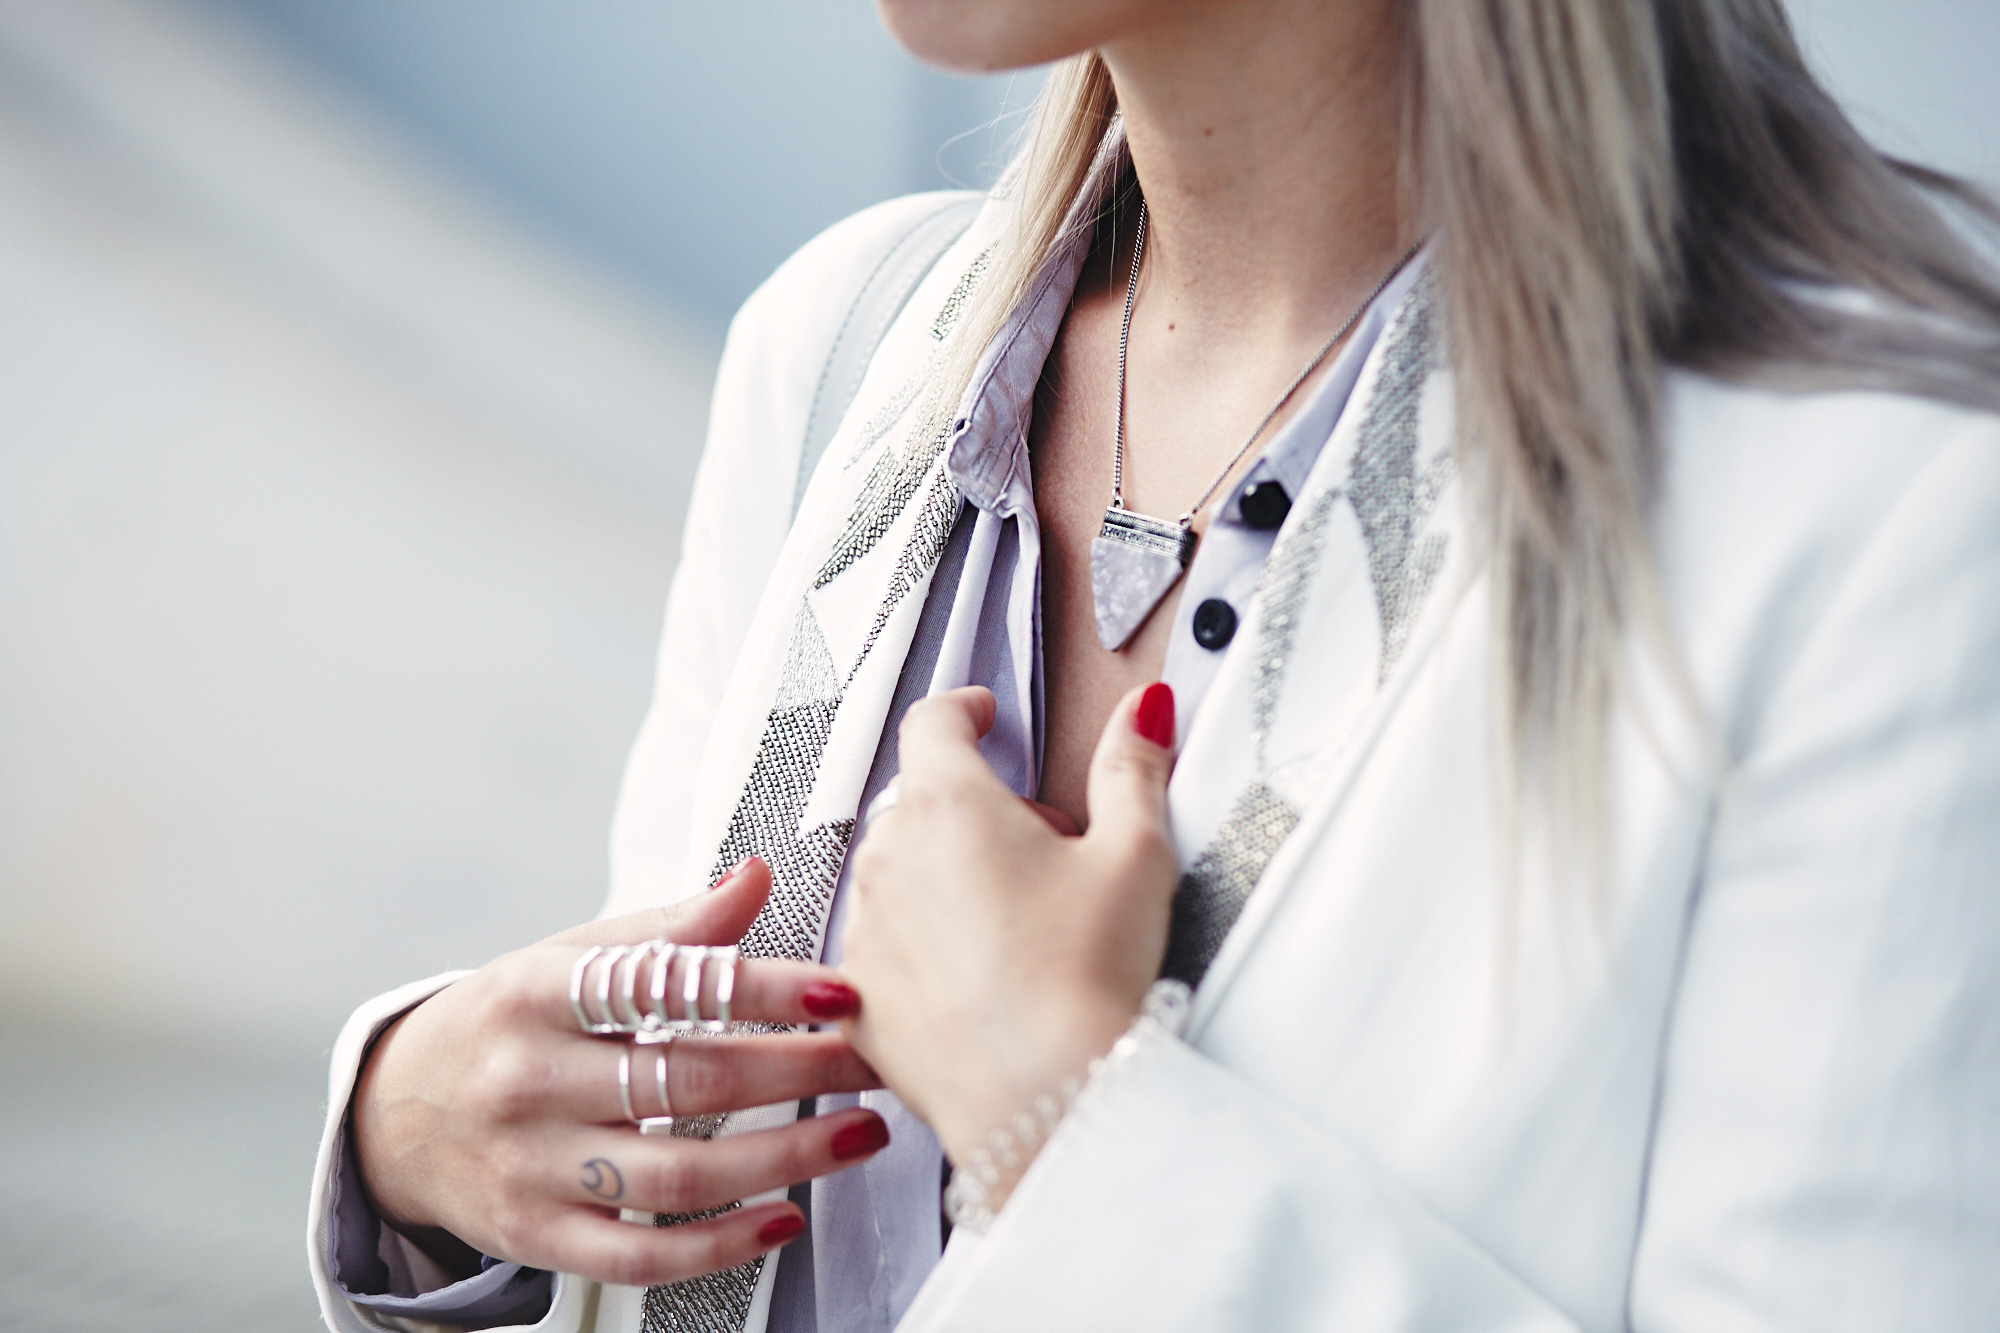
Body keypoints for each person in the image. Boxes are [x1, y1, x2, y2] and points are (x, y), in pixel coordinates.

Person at [308, 0, 2000, 1330]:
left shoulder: (1891, 525)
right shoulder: (832, 354)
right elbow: (683, 1225)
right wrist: (426, 1134)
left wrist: (1069, 1125)